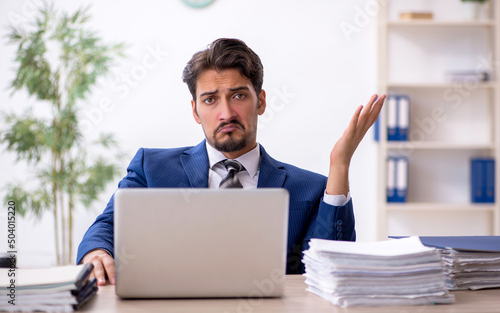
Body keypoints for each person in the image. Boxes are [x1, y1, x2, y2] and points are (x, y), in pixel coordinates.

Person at [76, 38, 385, 286]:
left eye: (238, 96)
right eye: (210, 99)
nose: (226, 113)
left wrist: (340, 166)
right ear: (196, 111)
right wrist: (97, 251)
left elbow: (331, 270)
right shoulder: (151, 168)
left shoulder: (311, 188)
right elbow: (108, 225)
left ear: (260, 101)